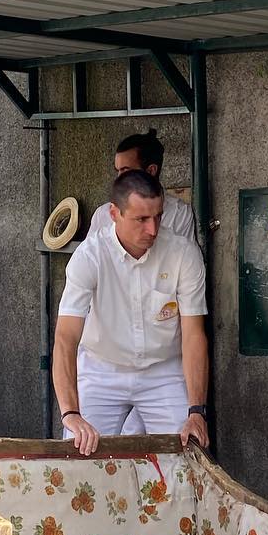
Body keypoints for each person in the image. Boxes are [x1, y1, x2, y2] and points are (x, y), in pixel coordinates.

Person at [52, 169, 209, 455]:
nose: (153, 229)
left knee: (188, 454)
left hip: (164, 369)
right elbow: (65, 338)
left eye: (158, 216)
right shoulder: (89, 257)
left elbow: (193, 335)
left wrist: (197, 410)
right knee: (78, 457)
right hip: (101, 368)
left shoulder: (184, 253)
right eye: (141, 219)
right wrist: (71, 414)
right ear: (114, 213)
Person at [86, 127, 198, 244]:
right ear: (114, 215)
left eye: (126, 170)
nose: (119, 178)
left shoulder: (178, 214)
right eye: (118, 170)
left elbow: (185, 258)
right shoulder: (103, 214)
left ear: (151, 171)